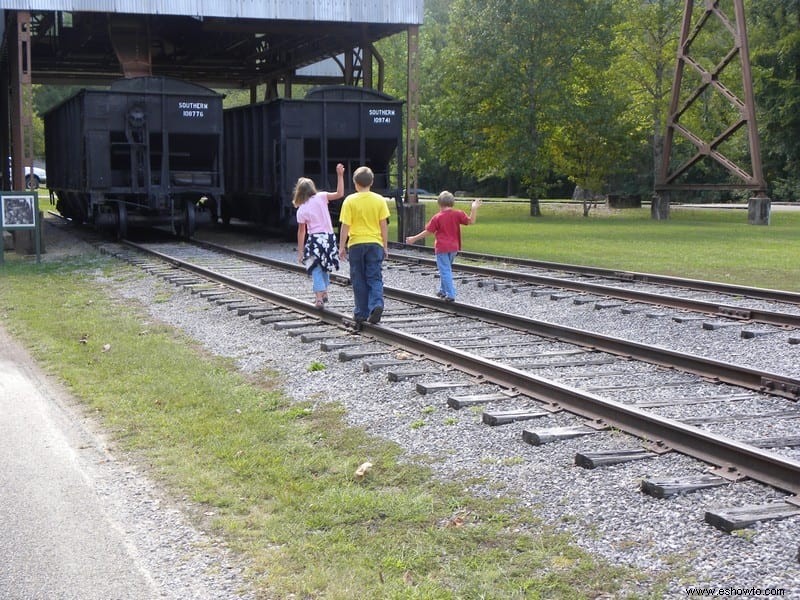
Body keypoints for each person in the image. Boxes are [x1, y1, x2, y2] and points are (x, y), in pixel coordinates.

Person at [405, 191, 481, 302]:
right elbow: (471, 221)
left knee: (445, 270)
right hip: (454, 247)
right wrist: (474, 208)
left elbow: (428, 231)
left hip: (442, 248)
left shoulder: (437, 217)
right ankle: (443, 290)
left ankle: (450, 294)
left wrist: (414, 238)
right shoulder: (458, 214)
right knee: (446, 269)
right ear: (452, 203)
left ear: (439, 204)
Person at [338, 166, 390, 325]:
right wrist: (385, 246)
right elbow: (383, 226)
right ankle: (377, 304)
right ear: (372, 182)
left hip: (356, 244)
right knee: (374, 277)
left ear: (355, 183)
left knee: (358, 278)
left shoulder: (349, 201)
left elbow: (345, 226)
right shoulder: (379, 200)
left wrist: (341, 246)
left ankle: (361, 312)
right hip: (375, 244)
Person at [293, 163, 345, 309]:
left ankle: (319, 299)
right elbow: (340, 193)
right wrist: (340, 175)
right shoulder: (322, 197)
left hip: (315, 240)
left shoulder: (301, 210)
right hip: (329, 239)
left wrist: (301, 251)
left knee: (315, 267)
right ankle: (325, 292)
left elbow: (301, 232)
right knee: (325, 266)